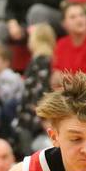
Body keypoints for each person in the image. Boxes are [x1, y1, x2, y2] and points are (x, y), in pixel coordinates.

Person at [16, 23, 57, 154]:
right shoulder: (48, 59)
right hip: (37, 115)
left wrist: (42, 116)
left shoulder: (40, 61)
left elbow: (39, 90)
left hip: (32, 118)